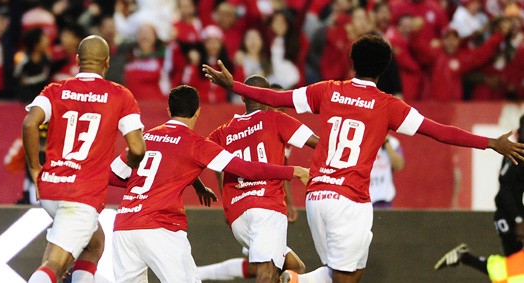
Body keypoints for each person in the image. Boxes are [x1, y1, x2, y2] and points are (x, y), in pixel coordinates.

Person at [202, 34, 524, 283]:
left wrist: (236, 86)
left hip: (316, 197)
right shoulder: (388, 105)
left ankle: (299, 279)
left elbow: (277, 98)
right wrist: (490, 143)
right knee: (349, 277)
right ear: (385, 69)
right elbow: (439, 131)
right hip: (349, 200)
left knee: (336, 272)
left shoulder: (327, 90)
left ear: (352, 61)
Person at [108, 85, 310, 283]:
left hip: (124, 226)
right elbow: (248, 169)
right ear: (198, 111)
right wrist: (294, 171)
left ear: (169, 110)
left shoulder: (144, 139)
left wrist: (150, 186)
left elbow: (111, 176)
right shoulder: (196, 144)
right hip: (160, 226)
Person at [22, 35, 146, 283]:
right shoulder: (120, 96)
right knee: (54, 265)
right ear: (108, 63)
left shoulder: (56, 90)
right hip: (80, 196)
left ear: (78, 60)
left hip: (51, 189)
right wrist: (130, 162)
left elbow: (29, 124)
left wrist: (35, 167)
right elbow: (138, 148)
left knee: (94, 243)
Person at [198, 76, 318, 282]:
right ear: (267, 95)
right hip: (265, 206)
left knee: (295, 268)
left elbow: (196, 160)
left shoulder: (223, 131)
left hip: (237, 215)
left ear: (243, 99)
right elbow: (319, 144)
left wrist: (204, 189)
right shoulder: (276, 119)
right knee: (267, 272)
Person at [434, 114, 524, 279]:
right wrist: (518, 220)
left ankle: (466, 257)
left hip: (513, 215)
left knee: (511, 270)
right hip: (510, 217)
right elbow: (504, 193)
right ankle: (466, 258)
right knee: (513, 270)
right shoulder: (518, 156)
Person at [369, 135, 404, 209]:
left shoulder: (393, 143)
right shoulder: (364, 140)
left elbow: (399, 166)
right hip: (364, 198)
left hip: (384, 199)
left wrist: (387, 144)